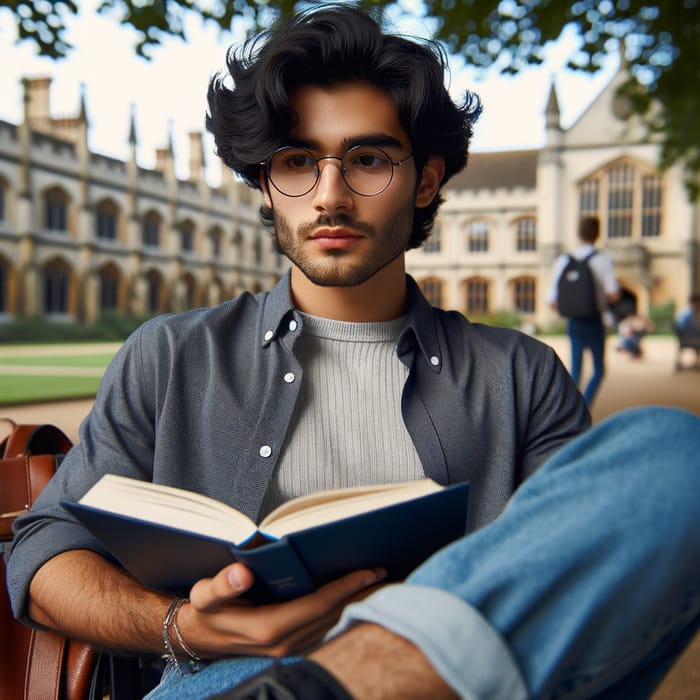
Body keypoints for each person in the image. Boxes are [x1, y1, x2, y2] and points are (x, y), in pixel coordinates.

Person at [6, 6, 700, 700]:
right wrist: (185, 626)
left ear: (425, 182)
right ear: (265, 182)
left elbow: (585, 571)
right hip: (221, 677)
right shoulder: (169, 357)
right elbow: (42, 557)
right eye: (298, 161)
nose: (330, 196)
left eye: (367, 159)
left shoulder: (518, 374)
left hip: (461, 683)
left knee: (674, 454)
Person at [549, 216, 620, 406]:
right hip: (594, 320)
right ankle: (585, 406)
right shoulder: (602, 259)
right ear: (597, 234)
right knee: (598, 370)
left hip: (574, 322)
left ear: (578, 233)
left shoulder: (564, 260)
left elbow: (552, 301)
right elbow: (613, 295)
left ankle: (572, 412)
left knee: (576, 370)